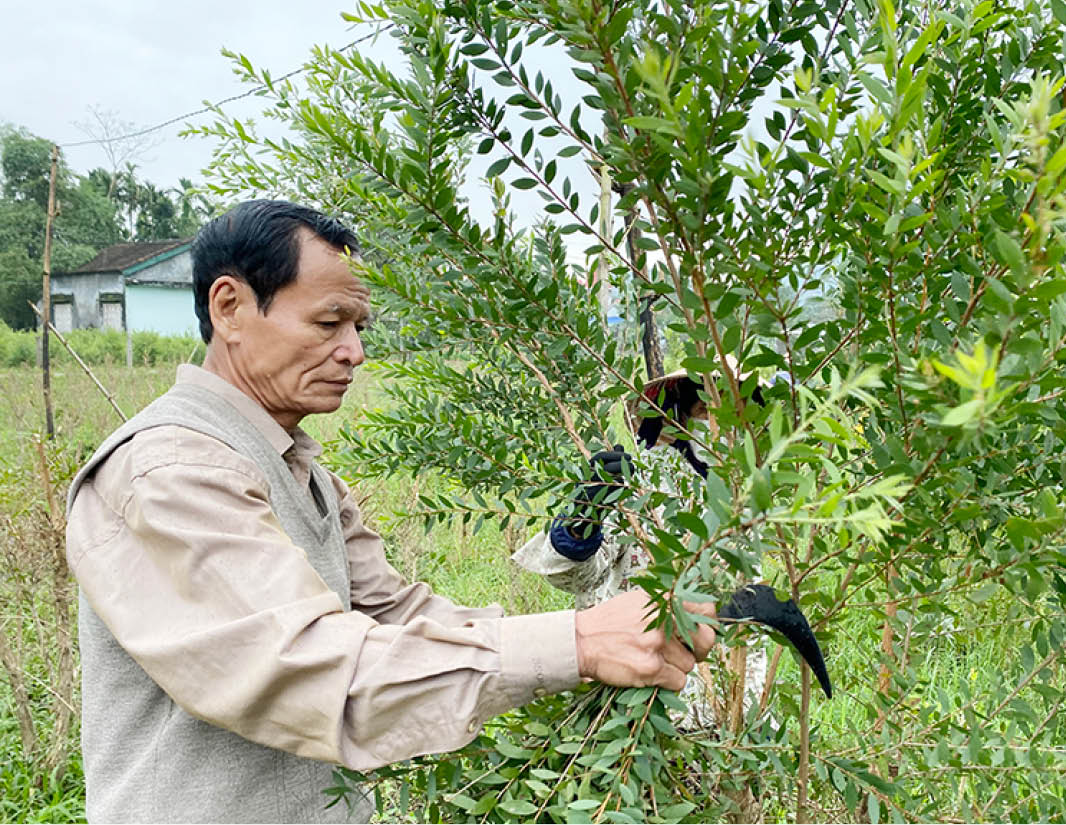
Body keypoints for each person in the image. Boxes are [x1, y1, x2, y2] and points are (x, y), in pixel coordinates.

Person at [64, 200, 716, 824]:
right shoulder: (170, 474)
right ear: (230, 307)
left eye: (359, 327)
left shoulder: (305, 477)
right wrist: (579, 641)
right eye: (328, 323)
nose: (354, 351)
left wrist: (587, 641)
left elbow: (406, 620)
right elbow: (319, 670)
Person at [512, 369, 770, 729]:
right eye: (705, 412)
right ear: (679, 418)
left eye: (735, 414)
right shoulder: (641, 488)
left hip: (728, 718)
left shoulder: (752, 501)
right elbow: (578, 576)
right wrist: (583, 519)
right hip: (636, 711)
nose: (719, 426)